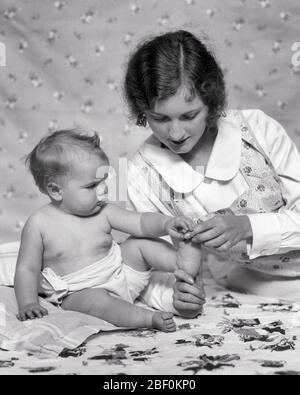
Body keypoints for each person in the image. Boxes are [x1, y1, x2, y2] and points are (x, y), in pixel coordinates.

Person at [124, 29, 300, 314]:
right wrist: (173, 297)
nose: (176, 132)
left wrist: (248, 227)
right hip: (243, 285)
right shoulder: (142, 174)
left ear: (211, 100)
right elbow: (148, 264)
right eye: (160, 118)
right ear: (142, 111)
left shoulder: (257, 130)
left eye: (189, 115)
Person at [14, 128, 200, 332]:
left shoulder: (103, 211)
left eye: (103, 181)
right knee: (94, 302)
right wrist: (28, 303)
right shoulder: (39, 224)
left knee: (139, 243)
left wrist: (166, 224)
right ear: (56, 190)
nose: (103, 190)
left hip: (122, 272)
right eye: (92, 185)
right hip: (82, 291)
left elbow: (139, 222)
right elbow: (27, 269)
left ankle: (183, 264)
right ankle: (148, 318)